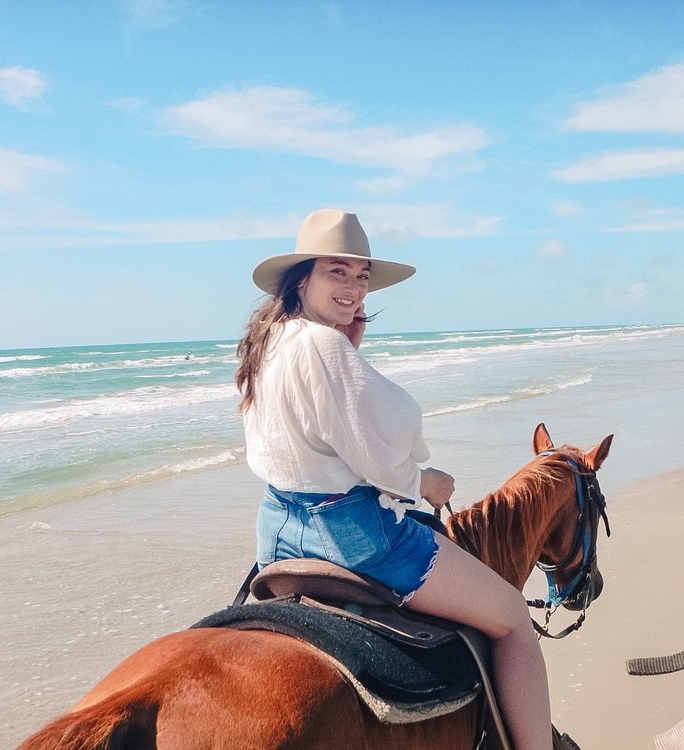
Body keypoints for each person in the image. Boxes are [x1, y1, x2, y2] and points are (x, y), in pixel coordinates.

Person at [235, 209, 555, 750]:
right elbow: (378, 461)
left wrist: (349, 348)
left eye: (362, 276)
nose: (354, 287)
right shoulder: (324, 345)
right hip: (350, 533)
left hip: (276, 528)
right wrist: (428, 483)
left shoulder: (270, 339)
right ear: (303, 278)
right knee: (509, 620)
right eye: (338, 272)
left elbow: (313, 425)